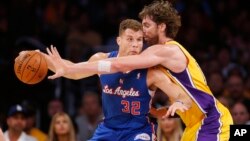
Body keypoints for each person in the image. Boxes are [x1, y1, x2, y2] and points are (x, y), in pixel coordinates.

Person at [44, 1, 233, 141]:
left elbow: (119, 64)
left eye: (147, 26)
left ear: (162, 27)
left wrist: (69, 66)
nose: (143, 32)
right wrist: (46, 60)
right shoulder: (157, 56)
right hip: (194, 123)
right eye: (134, 35)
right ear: (119, 41)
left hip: (211, 119)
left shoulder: (164, 50)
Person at [39, 19, 191, 140]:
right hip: (108, 129)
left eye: (139, 40)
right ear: (118, 40)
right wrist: (42, 58)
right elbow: (73, 70)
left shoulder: (151, 72)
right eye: (130, 39)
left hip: (137, 131)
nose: (135, 45)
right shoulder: (103, 59)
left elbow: (183, 95)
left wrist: (178, 101)